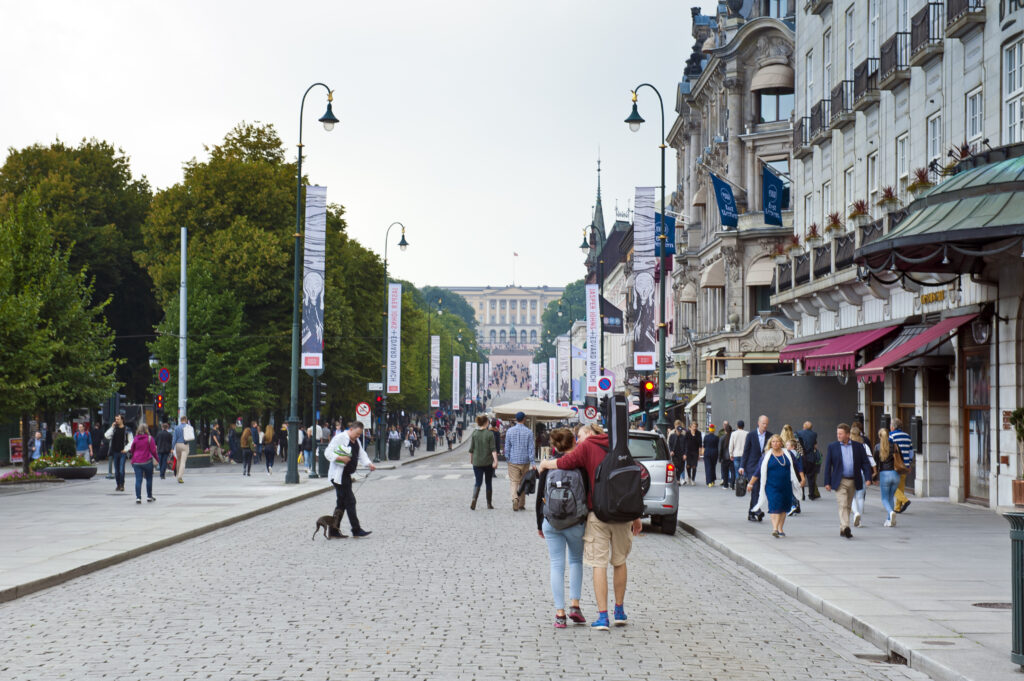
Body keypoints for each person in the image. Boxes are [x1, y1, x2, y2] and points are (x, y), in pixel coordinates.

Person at [538, 424, 641, 631]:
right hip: (622, 513)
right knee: (619, 561)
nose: (579, 439)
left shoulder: (587, 448)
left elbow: (566, 462)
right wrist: (635, 515)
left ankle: (601, 616)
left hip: (598, 513)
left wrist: (546, 464)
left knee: (597, 564)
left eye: (581, 435)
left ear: (590, 433)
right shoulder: (620, 445)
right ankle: (618, 611)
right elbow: (630, 480)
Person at [536, 427, 587, 629]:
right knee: (576, 561)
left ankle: (560, 614)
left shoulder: (548, 466)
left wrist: (540, 523)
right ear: (574, 440)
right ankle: (575, 605)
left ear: (554, 445)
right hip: (576, 521)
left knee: (556, 565)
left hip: (552, 521)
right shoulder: (580, 465)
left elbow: (540, 496)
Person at [323, 422, 376, 537]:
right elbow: (327, 453)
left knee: (341, 504)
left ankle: (333, 530)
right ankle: (356, 529)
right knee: (350, 501)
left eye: (359, 435)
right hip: (338, 476)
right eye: (356, 434)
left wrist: (369, 464)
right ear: (351, 429)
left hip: (346, 475)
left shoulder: (356, 441)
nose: (357, 436)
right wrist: (340, 457)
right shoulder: (340, 438)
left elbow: (361, 454)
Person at [747, 435, 805, 538]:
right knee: (774, 506)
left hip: (786, 485)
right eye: (773, 442)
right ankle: (774, 528)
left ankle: (780, 528)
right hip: (771, 486)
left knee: (783, 507)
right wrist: (751, 483)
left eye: (777, 441)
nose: (775, 443)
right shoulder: (766, 456)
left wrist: (802, 478)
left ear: (781, 443)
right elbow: (757, 471)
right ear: (770, 443)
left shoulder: (788, 454)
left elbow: (798, 465)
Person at [824, 423, 875, 539]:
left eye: (840, 433)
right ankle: (847, 526)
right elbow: (828, 465)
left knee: (848, 505)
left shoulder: (858, 446)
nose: (838, 436)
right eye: (837, 433)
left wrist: (868, 478)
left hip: (853, 480)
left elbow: (865, 463)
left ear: (848, 434)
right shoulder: (833, 447)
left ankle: (843, 528)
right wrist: (827, 482)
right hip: (840, 480)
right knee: (842, 504)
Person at [740, 416, 771, 522]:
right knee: (755, 488)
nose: (765, 425)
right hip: (752, 467)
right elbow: (746, 451)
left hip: (765, 467)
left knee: (758, 490)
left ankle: (751, 512)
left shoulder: (770, 436)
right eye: (763, 423)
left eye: (766, 423)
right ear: (758, 423)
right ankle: (756, 510)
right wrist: (741, 466)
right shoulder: (751, 435)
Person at [503, 411, 535, 512]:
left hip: (513, 460)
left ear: (516, 419)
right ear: (524, 419)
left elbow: (507, 446)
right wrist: (533, 462)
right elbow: (531, 448)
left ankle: (515, 498)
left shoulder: (509, 431)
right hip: (525, 461)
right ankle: (521, 504)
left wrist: (507, 458)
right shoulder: (529, 432)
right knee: (523, 482)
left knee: (514, 482)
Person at [875, 428, 907, 527]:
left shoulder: (877, 447)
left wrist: (874, 477)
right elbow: (901, 459)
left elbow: (875, 463)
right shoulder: (895, 446)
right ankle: (889, 520)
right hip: (895, 474)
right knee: (891, 497)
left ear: (880, 436)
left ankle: (890, 512)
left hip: (884, 474)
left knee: (884, 498)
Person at [849, 424, 877, 527]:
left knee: (851, 496)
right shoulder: (864, 446)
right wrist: (873, 472)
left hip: (851, 473)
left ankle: (855, 513)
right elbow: (870, 460)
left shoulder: (848, 445)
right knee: (860, 497)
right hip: (862, 473)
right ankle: (859, 519)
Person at [469, 414, 498, 510]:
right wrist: (495, 461)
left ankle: (474, 499)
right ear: (486, 422)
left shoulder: (474, 433)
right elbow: (493, 449)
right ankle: (489, 504)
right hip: (488, 462)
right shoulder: (489, 434)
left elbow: (471, 449)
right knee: (488, 482)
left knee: (478, 482)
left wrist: (471, 460)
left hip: (477, 462)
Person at [889, 418, 914, 513]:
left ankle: (905, 501)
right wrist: (908, 462)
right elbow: (911, 452)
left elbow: (889, 450)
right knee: (901, 486)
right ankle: (897, 507)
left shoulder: (891, 436)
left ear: (893, 426)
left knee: (891, 485)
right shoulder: (907, 436)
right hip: (905, 466)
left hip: (895, 465)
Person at [129, 423, 158, 504]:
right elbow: (153, 451)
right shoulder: (150, 438)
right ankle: (149, 496)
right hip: (147, 461)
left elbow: (132, 450)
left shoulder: (135, 438)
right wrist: (157, 459)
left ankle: (138, 498)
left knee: (138, 479)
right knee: (149, 479)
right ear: (147, 429)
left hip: (136, 462)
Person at [105, 415, 130, 492]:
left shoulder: (127, 429)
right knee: (116, 470)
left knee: (121, 470)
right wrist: (112, 427)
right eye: (115, 419)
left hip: (122, 452)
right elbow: (106, 436)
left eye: (118, 419)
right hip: (115, 452)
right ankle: (118, 485)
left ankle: (122, 485)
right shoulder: (114, 429)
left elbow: (131, 440)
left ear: (122, 420)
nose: (116, 421)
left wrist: (126, 449)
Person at [797, 421, 820, 500]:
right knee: (811, 478)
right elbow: (815, 445)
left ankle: (802, 495)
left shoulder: (798, 433)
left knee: (801, 477)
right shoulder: (814, 434)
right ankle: (811, 495)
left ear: (803, 427)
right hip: (811, 458)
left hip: (801, 458)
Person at [681, 421, 702, 485]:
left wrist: (700, 453)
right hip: (688, 451)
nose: (694, 428)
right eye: (693, 426)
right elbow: (684, 443)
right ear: (691, 426)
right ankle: (689, 477)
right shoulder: (687, 433)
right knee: (688, 466)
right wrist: (684, 453)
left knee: (694, 466)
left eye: (695, 426)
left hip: (695, 451)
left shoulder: (698, 433)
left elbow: (700, 443)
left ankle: (693, 479)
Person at [728, 419, 747, 488]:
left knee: (737, 471)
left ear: (737, 426)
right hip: (744, 455)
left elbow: (731, 445)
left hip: (736, 454)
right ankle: (744, 484)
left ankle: (738, 486)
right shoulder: (747, 433)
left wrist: (731, 454)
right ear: (743, 426)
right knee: (744, 471)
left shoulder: (733, 434)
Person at [172, 416, 190, 484]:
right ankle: (180, 476)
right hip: (185, 445)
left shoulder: (177, 427)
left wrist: (172, 447)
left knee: (178, 460)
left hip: (178, 445)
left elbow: (174, 438)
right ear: (186, 420)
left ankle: (177, 475)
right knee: (183, 461)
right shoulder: (188, 427)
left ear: (180, 420)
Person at [718, 423, 734, 489]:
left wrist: (719, 458)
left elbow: (720, 449)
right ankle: (732, 484)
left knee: (725, 472)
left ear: (725, 431)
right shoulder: (733, 437)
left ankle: (725, 485)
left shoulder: (722, 438)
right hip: (732, 457)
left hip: (724, 457)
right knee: (733, 472)